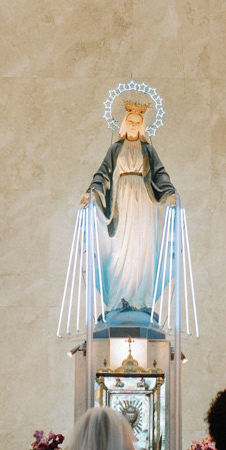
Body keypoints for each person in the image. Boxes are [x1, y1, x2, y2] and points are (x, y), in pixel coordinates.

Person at [81, 101, 178, 326]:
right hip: (121, 202)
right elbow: (103, 174)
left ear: (142, 126)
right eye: (130, 121)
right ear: (125, 124)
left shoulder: (148, 150)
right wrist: (92, 192)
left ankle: (140, 301)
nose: (134, 125)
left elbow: (160, 174)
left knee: (141, 250)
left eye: (137, 122)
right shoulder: (115, 149)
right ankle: (118, 300)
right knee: (119, 250)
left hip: (144, 203)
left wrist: (170, 192)